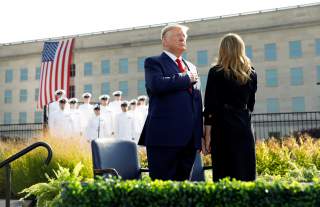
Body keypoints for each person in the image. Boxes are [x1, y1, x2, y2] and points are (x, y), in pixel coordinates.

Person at [138, 24, 203, 181]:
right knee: (163, 190)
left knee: (183, 191)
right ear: (164, 41)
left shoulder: (192, 67)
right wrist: (186, 78)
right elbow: (156, 85)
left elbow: (197, 102)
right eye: (177, 35)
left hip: (189, 142)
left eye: (184, 36)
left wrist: (199, 135)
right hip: (164, 139)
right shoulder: (154, 63)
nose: (183, 38)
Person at [202, 33, 257, 182]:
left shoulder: (215, 72)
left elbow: (210, 107)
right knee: (245, 172)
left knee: (223, 174)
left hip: (222, 128)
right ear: (241, 49)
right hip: (243, 126)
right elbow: (251, 104)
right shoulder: (251, 73)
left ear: (222, 50)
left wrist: (207, 136)